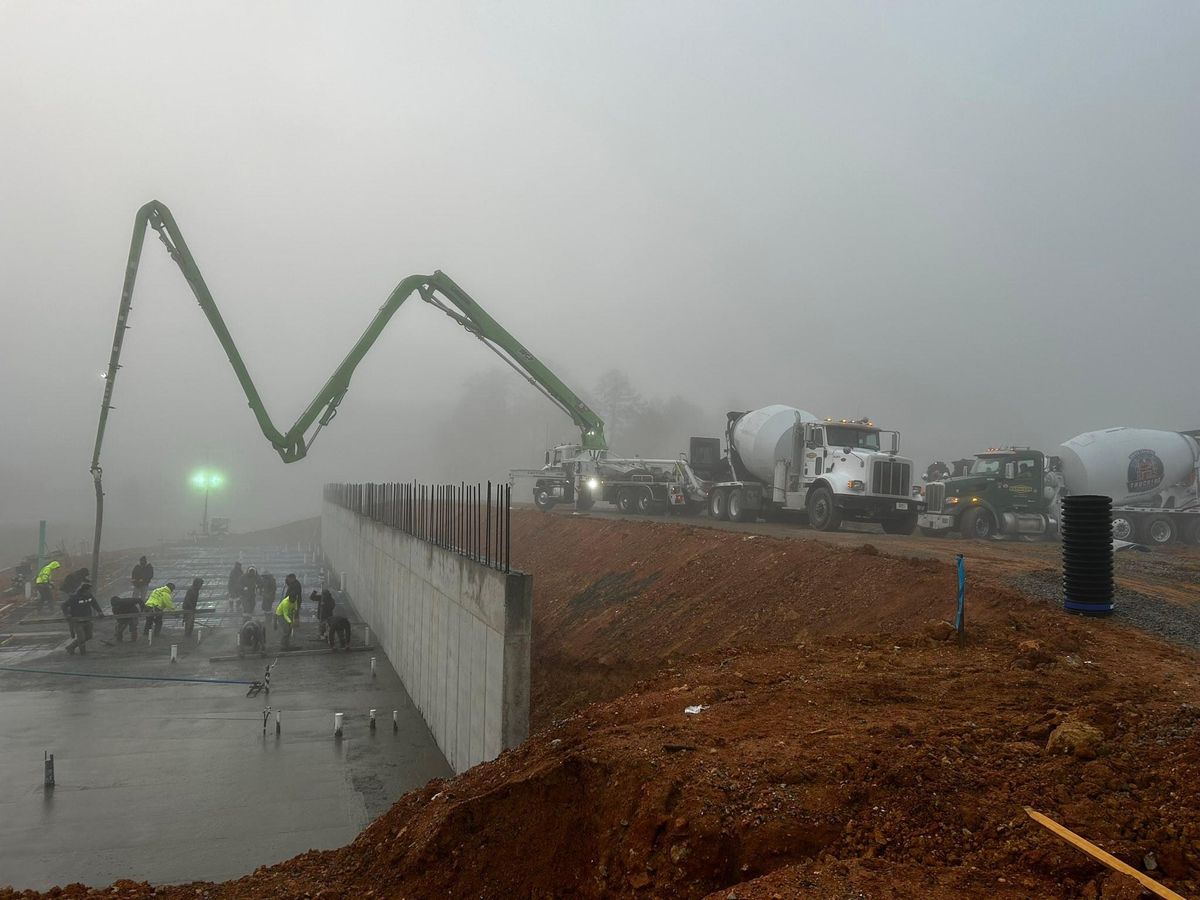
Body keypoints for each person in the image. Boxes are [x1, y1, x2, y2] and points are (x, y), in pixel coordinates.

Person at [64, 582, 104, 655]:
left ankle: (71, 647)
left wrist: (100, 611)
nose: (91, 591)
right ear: (85, 590)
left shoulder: (89, 596)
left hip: (87, 619)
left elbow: (94, 603)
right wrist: (67, 614)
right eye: (90, 590)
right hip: (77, 621)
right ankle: (83, 653)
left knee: (89, 636)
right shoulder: (74, 597)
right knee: (81, 638)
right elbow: (64, 605)